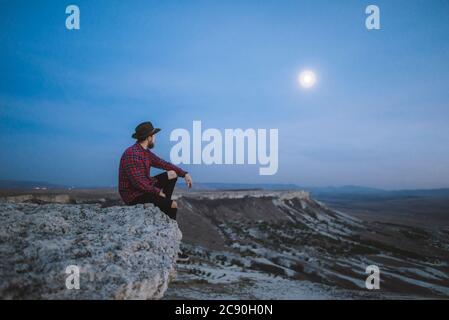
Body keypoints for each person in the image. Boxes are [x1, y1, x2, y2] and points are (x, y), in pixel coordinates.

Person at [119, 121, 193, 262]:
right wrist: (157, 192)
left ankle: (162, 205)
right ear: (149, 137)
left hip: (144, 187)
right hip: (134, 195)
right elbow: (138, 183)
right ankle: (173, 249)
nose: (155, 138)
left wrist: (185, 174)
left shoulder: (144, 153)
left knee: (172, 173)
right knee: (173, 205)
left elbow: (163, 164)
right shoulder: (132, 154)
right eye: (154, 135)